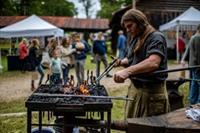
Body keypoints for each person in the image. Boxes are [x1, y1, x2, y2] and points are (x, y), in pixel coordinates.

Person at [113, 9, 170, 118]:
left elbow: (153, 62)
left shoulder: (156, 37)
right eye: (126, 27)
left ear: (140, 22)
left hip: (151, 94)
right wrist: (120, 62)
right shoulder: (136, 37)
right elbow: (132, 59)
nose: (128, 30)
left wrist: (127, 71)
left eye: (130, 26)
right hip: (135, 90)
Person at [188, 24, 200, 105]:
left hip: (192, 64)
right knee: (197, 84)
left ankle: (193, 102)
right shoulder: (197, 38)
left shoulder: (193, 37)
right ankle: (197, 102)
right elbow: (198, 54)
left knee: (194, 83)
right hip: (197, 65)